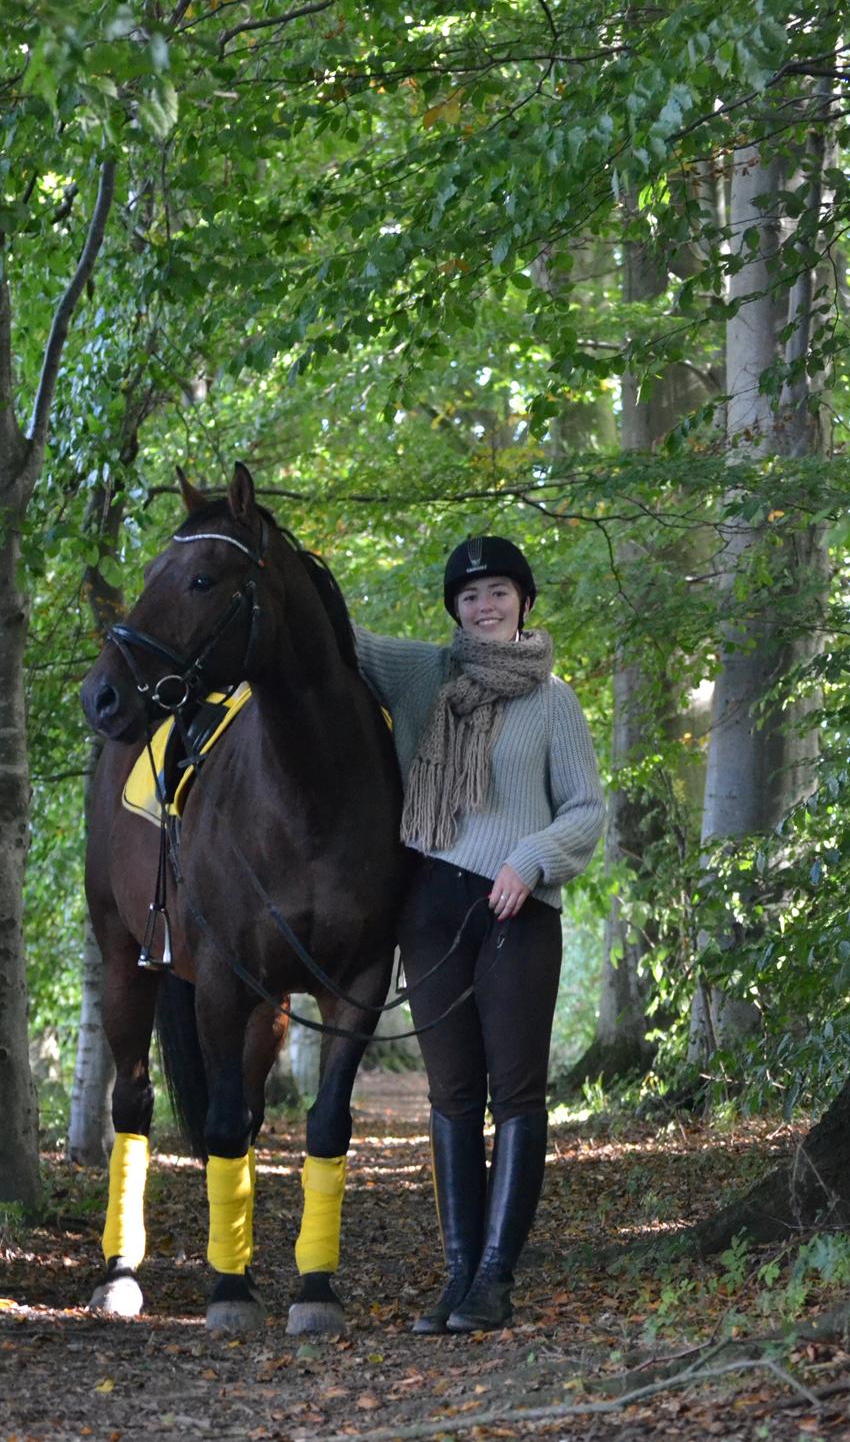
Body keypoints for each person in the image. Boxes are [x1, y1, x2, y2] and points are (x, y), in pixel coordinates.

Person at [355, 536, 604, 1334]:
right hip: (429, 906)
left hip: (516, 911)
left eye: (499, 591)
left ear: (524, 601)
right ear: (454, 610)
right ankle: (458, 1275)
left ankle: (496, 1278)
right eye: (469, 596)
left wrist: (531, 861)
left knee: (516, 1093)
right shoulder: (420, 673)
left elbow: (587, 809)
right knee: (453, 1095)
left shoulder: (554, 702)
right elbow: (334, 633)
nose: (485, 605)